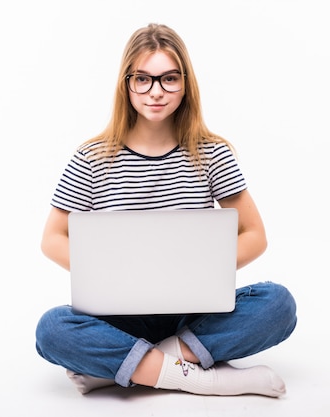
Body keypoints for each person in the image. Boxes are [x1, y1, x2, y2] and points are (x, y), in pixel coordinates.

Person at [35, 23, 297, 397]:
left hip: (194, 309)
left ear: (185, 83)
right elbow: (52, 238)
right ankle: (207, 379)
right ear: (126, 84)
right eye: (143, 79)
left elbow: (255, 235)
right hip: (119, 315)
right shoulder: (92, 158)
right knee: (52, 329)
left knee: (278, 304)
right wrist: (112, 273)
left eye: (169, 78)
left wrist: (199, 270)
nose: (156, 92)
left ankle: (132, 367)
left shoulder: (212, 153)